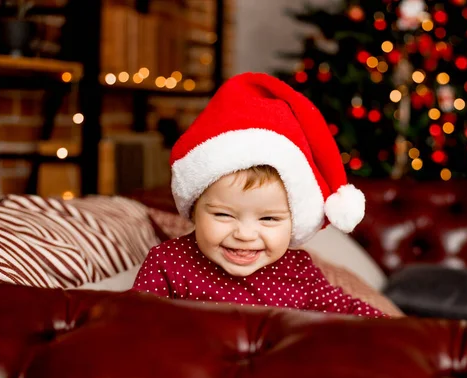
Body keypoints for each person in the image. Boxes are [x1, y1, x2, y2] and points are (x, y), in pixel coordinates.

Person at [132, 72, 387, 317]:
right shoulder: (169, 263)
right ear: (194, 209)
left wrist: (406, 335)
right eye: (223, 214)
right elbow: (130, 328)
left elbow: (352, 312)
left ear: (294, 222)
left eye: (268, 219)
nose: (244, 234)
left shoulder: (299, 272)